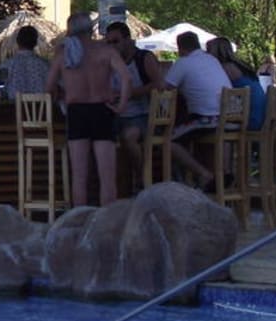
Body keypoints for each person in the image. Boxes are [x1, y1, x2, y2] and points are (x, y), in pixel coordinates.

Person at [45, 12, 130, 207]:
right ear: (91, 30)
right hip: (102, 110)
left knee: (79, 176)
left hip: (77, 111)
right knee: (107, 176)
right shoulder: (106, 51)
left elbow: (48, 87)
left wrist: (62, 94)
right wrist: (121, 105)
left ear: (69, 31)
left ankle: (80, 220)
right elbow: (126, 78)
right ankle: (107, 221)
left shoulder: (63, 54)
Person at [164, 30, 233, 190]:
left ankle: (204, 174)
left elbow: (164, 88)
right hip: (231, 118)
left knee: (169, 141)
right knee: (196, 138)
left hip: (208, 119)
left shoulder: (183, 62)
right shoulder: (212, 60)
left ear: (180, 48)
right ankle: (224, 173)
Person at [104, 21, 165, 192]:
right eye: (108, 42)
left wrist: (131, 93)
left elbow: (159, 85)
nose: (112, 46)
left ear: (127, 40)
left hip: (143, 115)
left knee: (129, 137)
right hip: (116, 115)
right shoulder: (108, 62)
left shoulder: (143, 58)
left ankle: (142, 178)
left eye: (115, 41)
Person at [206, 37, 266, 132]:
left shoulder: (225, 68)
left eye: (208, 50)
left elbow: (211, 89)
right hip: (261, 117)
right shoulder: (241, 65)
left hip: (249, 120)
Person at [0, 25, 50, 100]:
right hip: (44, 107)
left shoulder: (7, 65)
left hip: (12, 106)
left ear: (17, 41)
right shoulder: (45, 66)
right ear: (35, 43)